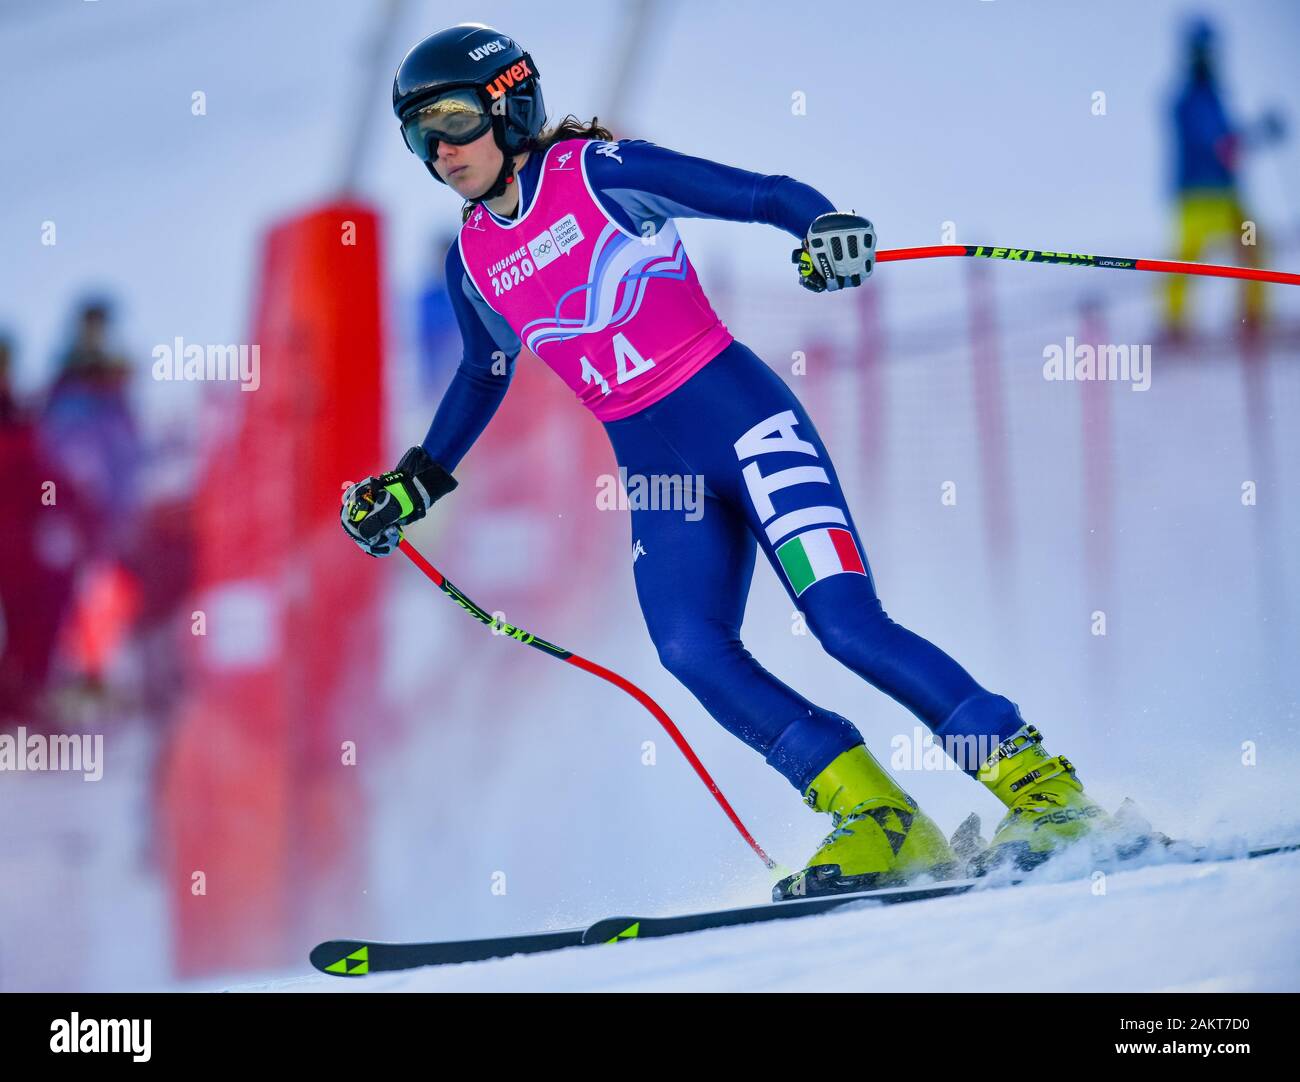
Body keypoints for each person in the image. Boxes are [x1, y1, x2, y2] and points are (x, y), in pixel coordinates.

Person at [343, 22, 1122, 896]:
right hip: (658, 474)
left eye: (451, 119)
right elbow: (483, 375)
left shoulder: (598, 174)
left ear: (507, 101)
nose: (439, 149)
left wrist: (823, 225)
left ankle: (1042, 792)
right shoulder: (472, 261)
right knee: (690, 649)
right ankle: (878, 818)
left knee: (846, 627)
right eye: (418, 134)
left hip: (745, 427)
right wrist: (414, 480)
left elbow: (761, 193)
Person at [1163, 16, 1284, 342]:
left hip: (1223, 193)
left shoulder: (1212, 96)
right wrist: (1257, 133)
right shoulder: (1190, 99)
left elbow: (1228, 143)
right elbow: (1219, 141)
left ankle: (1252, 319)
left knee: (1251, 247)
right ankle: (1175, 325)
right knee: (1187, 259)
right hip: (1198, 194)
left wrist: (1253, 136)